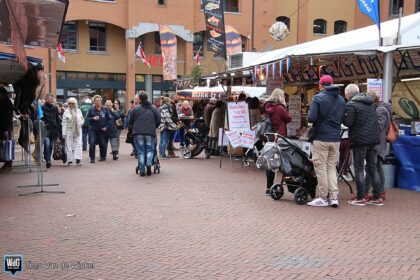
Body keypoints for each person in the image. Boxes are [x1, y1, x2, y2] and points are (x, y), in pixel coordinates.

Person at [306, 75, 345, 207]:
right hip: (335, 138)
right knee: (331, 167)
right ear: (332, 84)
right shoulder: (341, 99)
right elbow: (343, 118)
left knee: (320, 168)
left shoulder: (318, 98)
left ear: (321, 84)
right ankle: (334, 197)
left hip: (321, 137)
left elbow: (311, 118)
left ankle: (323, 197)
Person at [343, 84, 382, 206]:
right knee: (373, 168)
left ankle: (360, 197)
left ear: (348, 94)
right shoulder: (370, 103)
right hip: (373, 140)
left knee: (359, 169)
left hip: (360, 141)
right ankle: (377, 197)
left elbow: (349, 123)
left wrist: (342, 117)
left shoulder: (351, 105)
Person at [263, 88, 292, 195]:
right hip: (279, 137)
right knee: (283, 161)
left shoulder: (266, 106)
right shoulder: (280, 108)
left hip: (269, 137)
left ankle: (268, 187)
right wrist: (285, 107)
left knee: (270, 162)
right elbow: (289, 118)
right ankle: (287, 184)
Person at [364, 92, 391, 201]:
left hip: (378, 141)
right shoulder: (382, 108)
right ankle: (380, 192)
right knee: (377, 167)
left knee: (372, 168)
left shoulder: (380, 110)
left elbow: (378, 126)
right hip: (379, 141)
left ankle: (370, 192)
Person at [130, 93, 161, 177]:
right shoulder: (153, 108)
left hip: (138, 132)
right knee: (150, 150)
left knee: (141, 151)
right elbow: (158, 120)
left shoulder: (136, 108)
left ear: (139, 99)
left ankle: (142, 169)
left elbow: (130, 120)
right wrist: (154, 126)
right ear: (147, 98)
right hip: (150, 132)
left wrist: (134, 127)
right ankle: (148, 163)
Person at [87, 95, 110, 163]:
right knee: (92, 143)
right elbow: (87, 119)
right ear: (94, 101)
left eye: (99, 100)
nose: (98, 102)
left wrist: (106, 127)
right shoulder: (91, 109)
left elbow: (109, 119)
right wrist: (93, 118)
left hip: (102, 129)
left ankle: (102, 157)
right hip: (93, 129)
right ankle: (92, 158)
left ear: (101, 101)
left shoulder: (105, 109)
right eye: (96, 100)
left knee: (102, 143)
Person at [62, 97, 84, 165]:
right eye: (69, 103)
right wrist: (64, 133)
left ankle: (78, 159)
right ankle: (70, 160)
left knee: (79, 144)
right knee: (69, 145)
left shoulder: (79, 111)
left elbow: (82, 119)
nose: (71, 105)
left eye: (72, 103)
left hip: (78, 130)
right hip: (69, 130)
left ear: (75, 104)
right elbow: (64, 123)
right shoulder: (66, 112)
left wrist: (80, 122)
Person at [41, 94, 61, 168]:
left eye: (53, 99)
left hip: (53, 129)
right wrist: (45, 124)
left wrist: (58, 129)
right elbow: (41, 118)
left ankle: (47, 157)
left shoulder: (55, 108)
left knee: (51, 146)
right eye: (50, 99)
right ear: (46, 100)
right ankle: (48, 160)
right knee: (47, 143)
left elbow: (57, 118)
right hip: (46, 129)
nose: (52, 100)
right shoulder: (42, 108)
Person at [0, 87, 14, 171]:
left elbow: (8, 117)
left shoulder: (7, 103)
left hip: (5, 128)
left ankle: (8, 163)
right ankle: (7, 162)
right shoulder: (4, 102)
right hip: (3, 127)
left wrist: (6, 129)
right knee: (5, 145)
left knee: (6, 146)